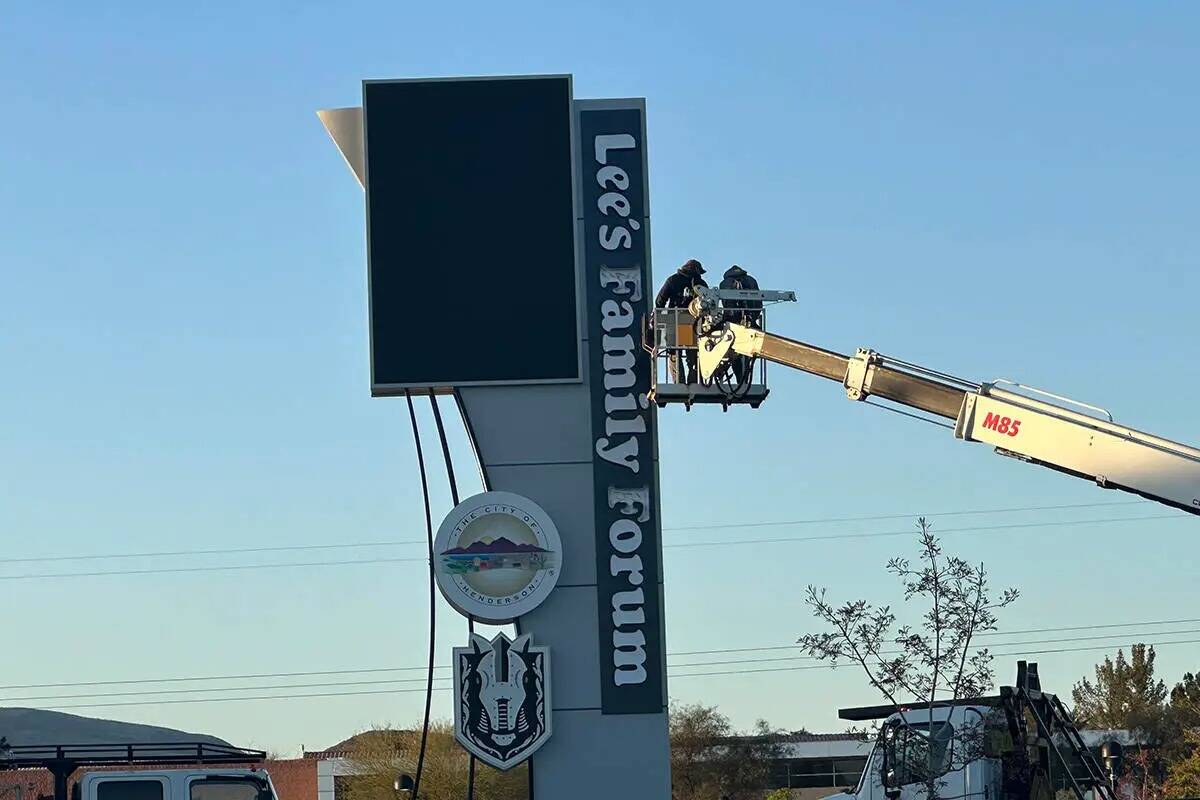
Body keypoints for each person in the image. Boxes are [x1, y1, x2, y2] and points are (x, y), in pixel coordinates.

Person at [655, 259, 708, 383]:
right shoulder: (700, 284)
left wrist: (658, 317)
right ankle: (693, 380)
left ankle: (679, 381)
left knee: (674, 352)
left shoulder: (673, 280)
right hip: (692, 323)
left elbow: (660, 301)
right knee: (692, 351)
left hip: (674, 321)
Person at [718, 264, 762, 385]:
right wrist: (753, 317)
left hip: (733, 324)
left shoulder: (724, 283)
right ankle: (744, 380)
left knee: (732, 353)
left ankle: (734, 378)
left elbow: (726, 304)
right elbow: (758, 303)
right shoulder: (752, 281)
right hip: (750, 323)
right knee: (748, 354)